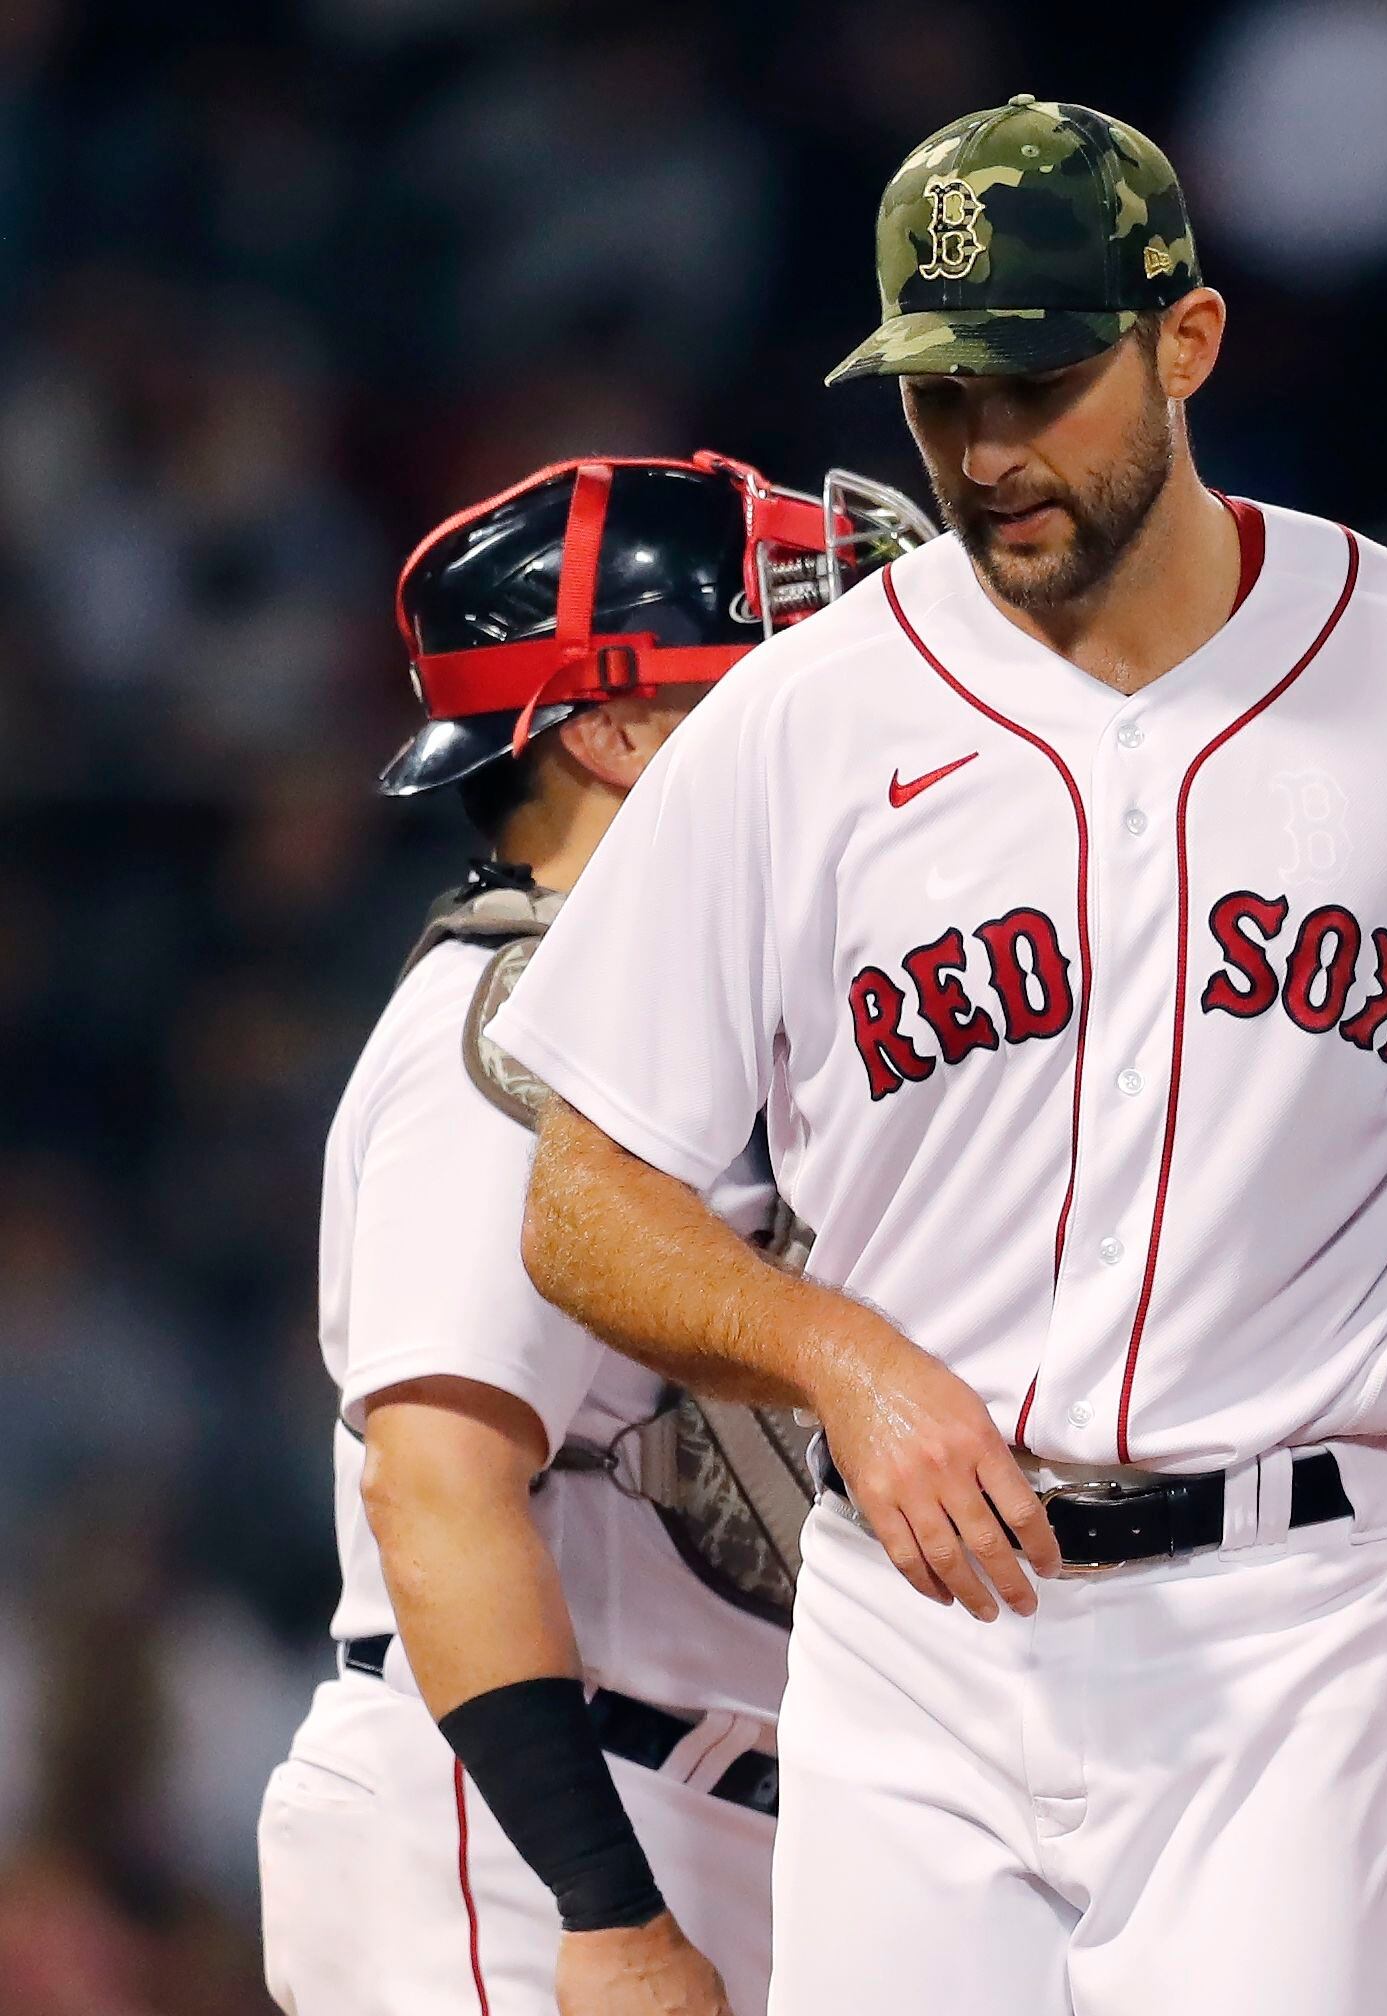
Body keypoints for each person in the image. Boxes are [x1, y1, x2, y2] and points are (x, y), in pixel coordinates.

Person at [490, 100, 1387, 2013]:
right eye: (940, 394)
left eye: (1039, 378)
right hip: (916, 1630)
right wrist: (839, 1359)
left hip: (1291, 1611)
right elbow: (586, 1206)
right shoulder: (801, 719)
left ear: (1187, 342)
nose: (988, 449)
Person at [255, 449, 930, 2016]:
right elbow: (435, 1484)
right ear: (619, 729)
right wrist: (605, 1913)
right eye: (766, 668)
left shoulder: (663, 1016)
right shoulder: (505, 1034)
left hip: (687, 1810)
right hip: (522, 1844)